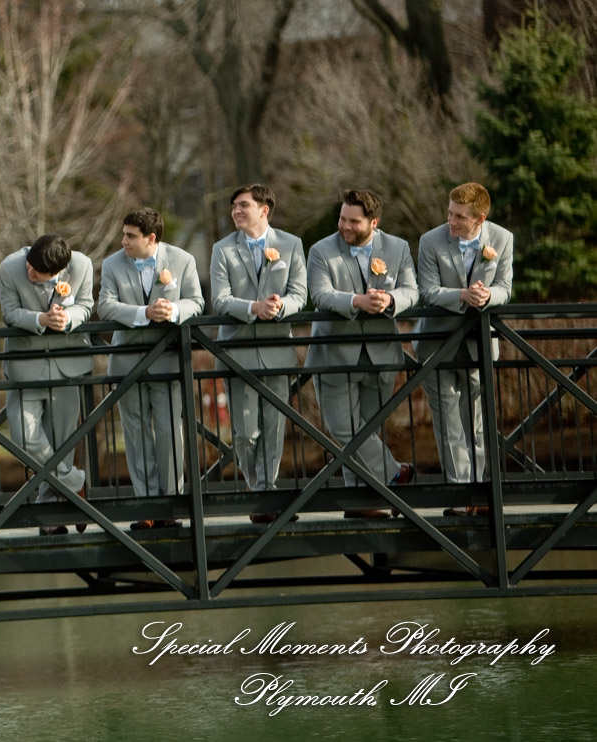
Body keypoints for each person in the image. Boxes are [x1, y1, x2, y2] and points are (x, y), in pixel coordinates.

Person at [305, 189, 418, 517]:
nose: (345, 226)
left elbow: (411, 290)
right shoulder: (321, 250)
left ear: (374, 222)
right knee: (343, 430)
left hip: (381, 354)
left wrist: (390, 301)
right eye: (342, 219)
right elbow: (320, 294)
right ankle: (397, 474)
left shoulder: (396, 247)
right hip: (333, 356)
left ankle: (362, 502)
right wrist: (357, 301)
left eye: (354, 221)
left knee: (367, 430)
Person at [98, 208, 205, 530]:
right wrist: (145, 312)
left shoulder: (183, 260)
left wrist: (172, 309)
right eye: (124, 234)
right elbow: (104, 306)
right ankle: (144, 504)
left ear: (152, 238)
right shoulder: (112, 263)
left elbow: (197, 302)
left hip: (169, 360)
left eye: (130, 236)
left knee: (171, 432)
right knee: (135, 434)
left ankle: (169, 505)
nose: (123, 241)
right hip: (127, 362)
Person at [209, 185, 308, 523]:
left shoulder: (291, 245)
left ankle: (267, 494)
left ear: (264, 210)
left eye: (244, 205)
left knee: (273, 426)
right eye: (234, 205)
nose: (236, 210)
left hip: (277, 350)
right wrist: (253, 307)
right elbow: (219, 300)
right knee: (243, 432)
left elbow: (300, 294)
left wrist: (281, 307)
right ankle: (259, 491)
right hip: (237, 353)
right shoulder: (222, 249)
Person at [415, 182, 514, 515]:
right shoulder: (430, 240)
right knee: (448, 420)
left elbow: (505, 288)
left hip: (479, 344)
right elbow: (427, 291)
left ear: (480, 218)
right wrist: (462, 295)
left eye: (459, 216)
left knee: (477, 419)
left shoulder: (502, 239)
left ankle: (480, 490)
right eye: (449, 213)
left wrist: (488, 297)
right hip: (436, 344)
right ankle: (461, 494)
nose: (451, 221)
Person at [0, 233, 94, 536]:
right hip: (25, 367)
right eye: (29, 266)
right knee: (24, 438)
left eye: (36, 273)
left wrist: (67, 318)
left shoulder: (82, 265)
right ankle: (75, 486)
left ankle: (52, 517)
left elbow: (87, 305)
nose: (29, 273)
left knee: (62, 444)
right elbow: (10, 313)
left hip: (68, 366)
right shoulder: (9, 267)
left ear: (59, 271)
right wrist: (41, 318)